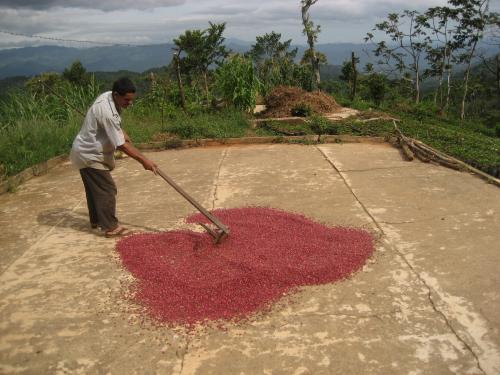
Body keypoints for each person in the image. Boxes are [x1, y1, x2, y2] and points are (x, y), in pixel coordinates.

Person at [70, 77, 158, 237]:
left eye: (131, 100)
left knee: (94, 189)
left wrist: (121, 132)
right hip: (90, 154)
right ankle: (110, 227)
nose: (129, 103)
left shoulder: (109, 97)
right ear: (116, 94)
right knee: (106, 189)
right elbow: (121, 145)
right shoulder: (106, 110)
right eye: (126, 100)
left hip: (86, 151)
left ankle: (97, 221)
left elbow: (113, 127)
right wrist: (144, 160)